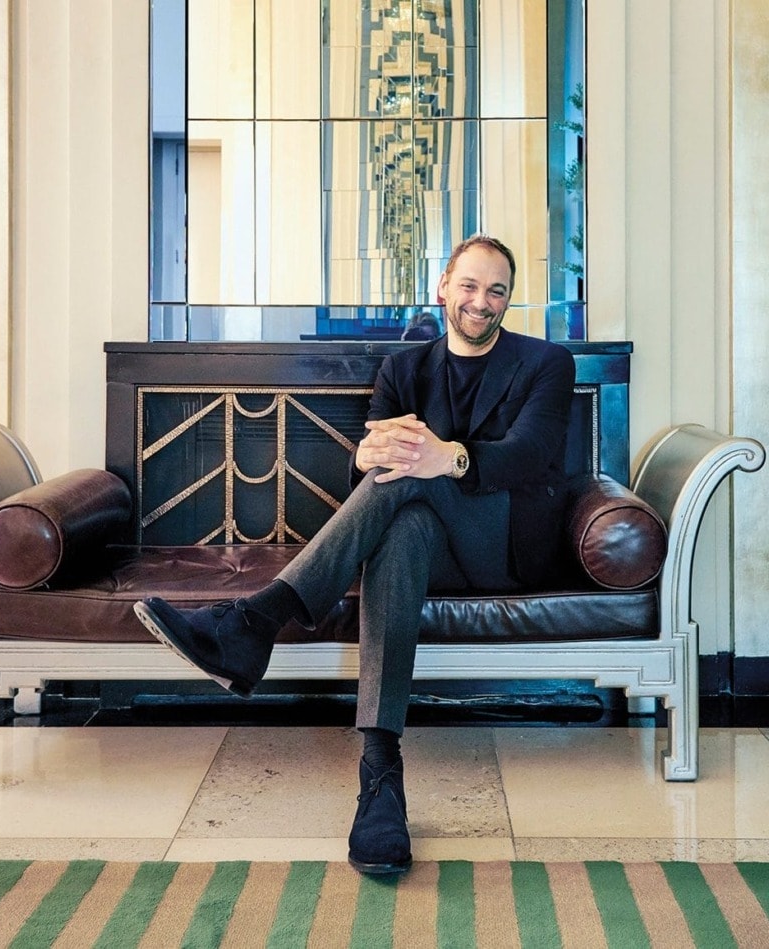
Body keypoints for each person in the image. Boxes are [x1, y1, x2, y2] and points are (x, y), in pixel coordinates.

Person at [134, 234, 576, 875]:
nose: (483, 302)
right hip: (427, 550)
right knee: (401, 528)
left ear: (509, 299)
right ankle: (380, 776)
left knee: (415, 468)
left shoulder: (545, 363)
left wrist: (442, 457)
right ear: (443, 289)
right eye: (471, 286)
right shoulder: (405, 371)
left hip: (502, 548)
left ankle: (255, 620)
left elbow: (531, 455)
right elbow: (374, 478)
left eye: (498, 290)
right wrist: (363, 458)